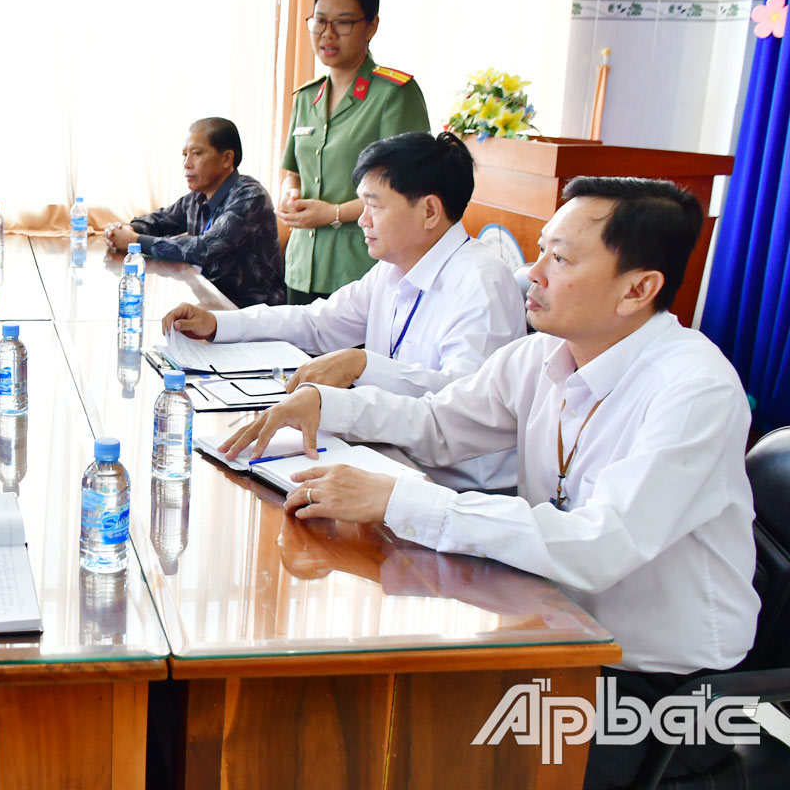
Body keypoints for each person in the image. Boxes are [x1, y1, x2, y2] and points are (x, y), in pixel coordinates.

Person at [222, 178, 758, 786]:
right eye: (542, 252)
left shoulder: (694, 390)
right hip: (558, 636)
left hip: (664, 693)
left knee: (436, 750)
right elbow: (437, 422)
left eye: (560, 258)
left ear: (638, 288)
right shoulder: (541, 357)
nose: (533, 272)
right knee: (371, 715)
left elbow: (600, 544)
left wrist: (403, 499)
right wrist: (329, 405)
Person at [163, 132, 523, 490]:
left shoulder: (481, 284)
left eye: (374, 206)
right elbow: (316, 322)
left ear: (429, 210)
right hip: (388, 456)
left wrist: (361, 363)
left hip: (456, 487)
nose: (363, 220)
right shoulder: (395, 266)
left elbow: (456, 410)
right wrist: (218, 324)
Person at [279, 0, 430, 304]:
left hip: (360, 267)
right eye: (319, 22)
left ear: (371, 26)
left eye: (343, 23)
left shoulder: (394, 94)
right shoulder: (307, 97)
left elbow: (407, 187)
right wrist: (289, 195)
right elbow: (292, 170)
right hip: (303, 264)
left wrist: (332, 213)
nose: (327, 34)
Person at [104, 117, 285, 307]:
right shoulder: (198, 197)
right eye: (184, 155)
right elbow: (160, 220)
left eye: (196, 154)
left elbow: (203, 249)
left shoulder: (250, 197)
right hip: (213, 305)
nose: (187, 164)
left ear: (226, 158)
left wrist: (134, 241)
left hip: (252, 315)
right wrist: (127, 229)